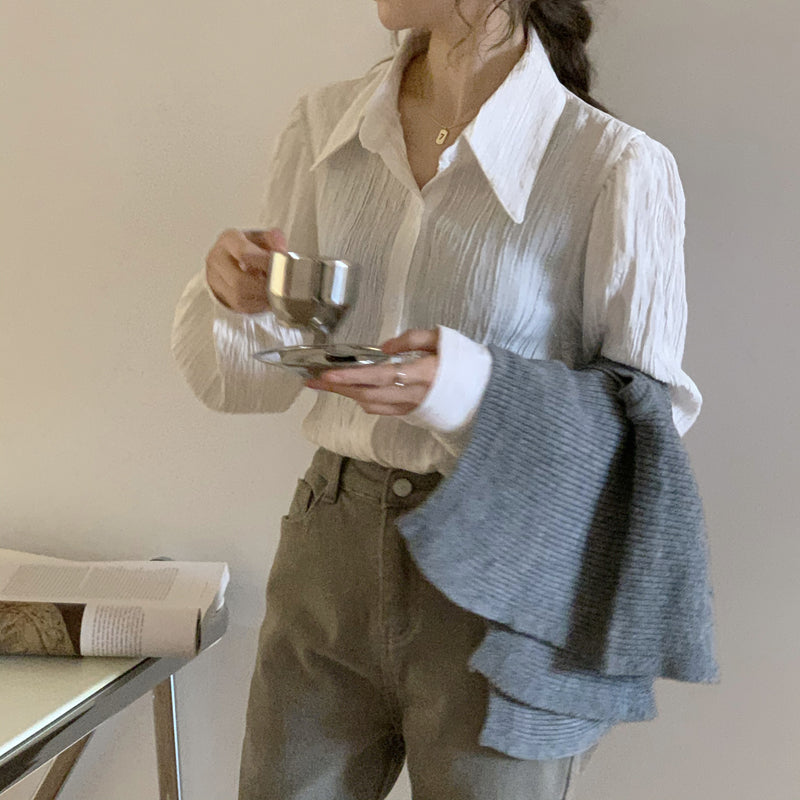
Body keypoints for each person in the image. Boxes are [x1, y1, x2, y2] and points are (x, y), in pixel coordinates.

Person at [172, 1, 703, 798]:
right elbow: (245, 385)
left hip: (507, 572)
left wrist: (469, 391)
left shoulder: (613, 165)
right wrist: (233, 298)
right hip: (329, 547)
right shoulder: (325, 129)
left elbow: (646, 436)